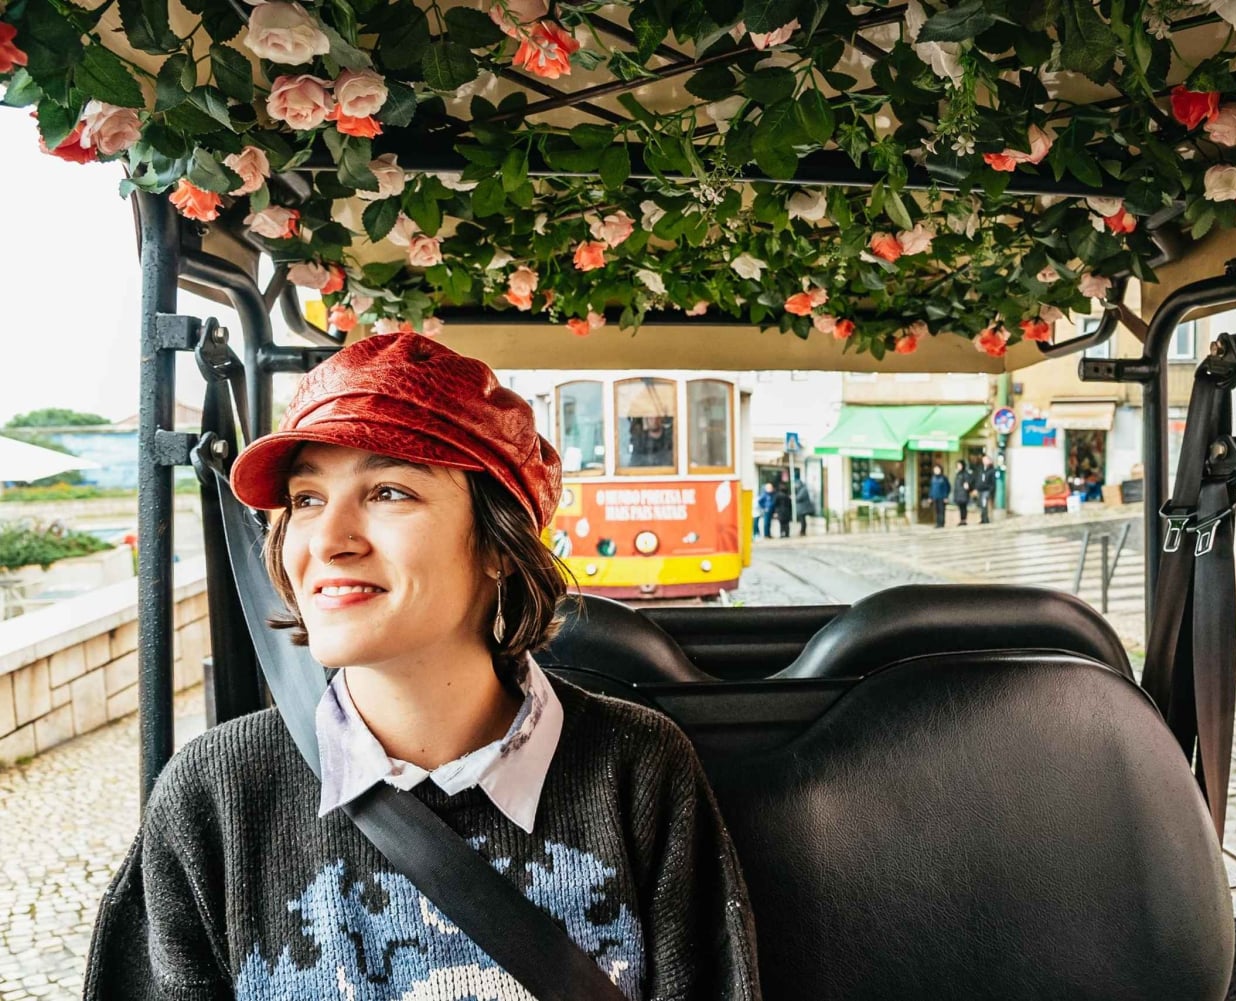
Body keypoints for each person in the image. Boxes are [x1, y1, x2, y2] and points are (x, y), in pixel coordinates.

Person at [84, 334, 761, 1001]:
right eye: (306, 499)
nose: (328, 540)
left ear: (499, 545)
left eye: (388, 492)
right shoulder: (214, 794)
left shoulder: (639, 767)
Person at [976, 455, 998, 524]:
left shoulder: (992, 470)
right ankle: (983, 518)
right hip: (980, 489)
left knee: (984, 504)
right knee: (981, 505)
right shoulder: (981, 469)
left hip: (987, 490)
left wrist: (991, 490)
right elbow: (978, 479)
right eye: (983, 460)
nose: (984, 461)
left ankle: (986, 519)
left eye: (985, 460)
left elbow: (993, 482)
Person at [929, 463, 951, 528]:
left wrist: (946, 497)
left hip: (942, 497)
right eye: (935, 469)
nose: (936, 471)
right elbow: (931, 488)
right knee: (936, 511)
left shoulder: (943, 478)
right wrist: (930, 497)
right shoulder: (933, 478)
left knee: (941, 511)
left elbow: (947, 487)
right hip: (935, 497)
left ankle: (941, 523)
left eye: (938, 469)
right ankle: (937, 523)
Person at [952, 459, 972, 526]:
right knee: (961, 507)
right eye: (957, 465)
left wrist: (966, 486)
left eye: (959, 465)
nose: (958, 466)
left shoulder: (965, 474)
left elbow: (967, 484)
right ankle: (962, 520)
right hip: (958, 493)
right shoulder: (958, 473)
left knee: (963, 507)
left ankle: (964, 520)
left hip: (963, 493)